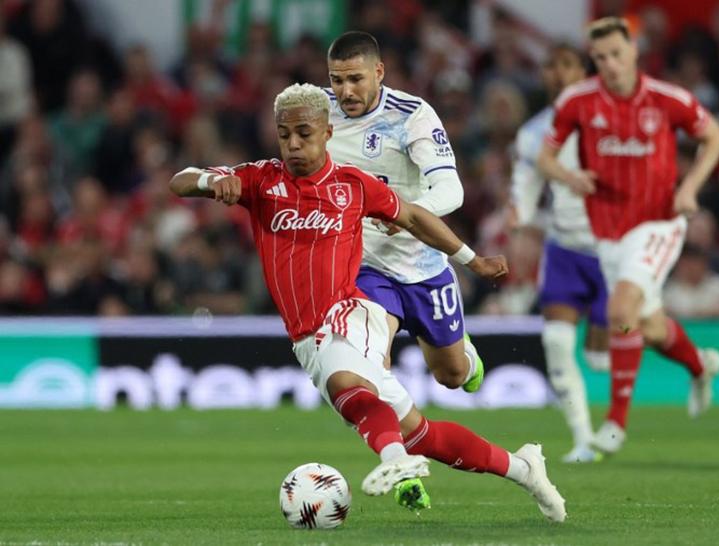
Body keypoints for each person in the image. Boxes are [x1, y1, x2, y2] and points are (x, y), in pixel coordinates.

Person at [169, 83, 566, 522]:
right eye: (285, 135)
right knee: (421, 435)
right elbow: (180, 180)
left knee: (344, 383)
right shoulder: (260, 180)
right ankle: (524, 468)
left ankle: (393, 462)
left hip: (349, 311)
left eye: (304, 133)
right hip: (306, 338)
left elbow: (414, 217)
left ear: (328, 131)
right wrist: (211, 180)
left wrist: (471, 261)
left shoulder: (352, 186)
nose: (294, 144)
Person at [538, 17, 719, 455]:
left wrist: (689, 187)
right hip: (607, 232)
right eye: (601, 57)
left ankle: (615, 424)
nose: (610, 64)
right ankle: (699, 368)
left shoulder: (666, 98)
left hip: (658, 223)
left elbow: (714, 136)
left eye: (617, 54)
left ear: (634, 51)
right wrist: (570, 175)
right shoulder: (577, 101)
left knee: (620, 307)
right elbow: (546, 159)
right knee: (645, 324)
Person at [322, 31, 484, 394]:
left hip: (419, 261)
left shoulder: (412, 116)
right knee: (371, 361)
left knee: (452, 375)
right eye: (336, 80)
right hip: (361, 264)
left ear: (379, 72)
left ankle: (466, 354)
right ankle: (395, 449)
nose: (345, 91)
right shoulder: (319, 113)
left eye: (355, 79)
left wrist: (405, 213)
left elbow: (450, 190)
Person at [510, 44, 609, 464]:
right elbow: (527, 183)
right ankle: (584, 440)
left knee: (599, 359)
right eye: (550, 65)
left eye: (565, 64)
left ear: (582, 72)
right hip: (564, 246)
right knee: (555, 341)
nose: (557, 73)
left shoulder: (608, 119)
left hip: (611, 249)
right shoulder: (533, 132)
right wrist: (519, 216)